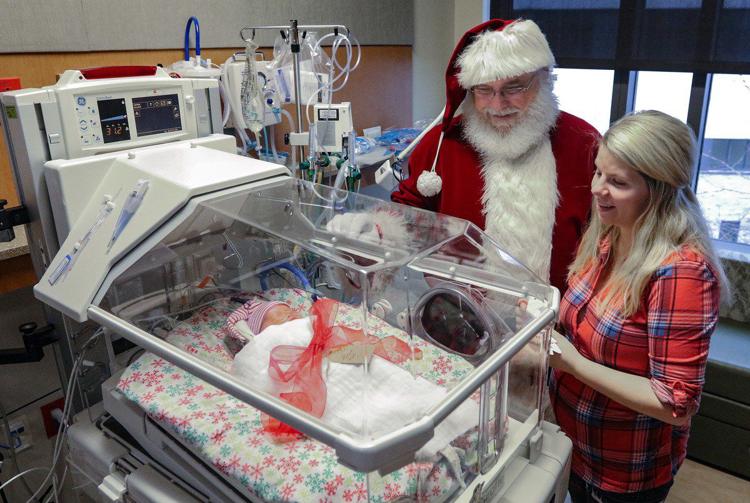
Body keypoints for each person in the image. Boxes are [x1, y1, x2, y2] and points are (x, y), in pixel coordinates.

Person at [548, 110, 729, 502]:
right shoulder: (609, 235)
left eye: (617, 182)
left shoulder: (681, 272)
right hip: (572, 443)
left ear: (659, 190)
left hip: (622, 470)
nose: (598, 188)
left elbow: (675, 403)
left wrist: (571, 363)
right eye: (598, 172)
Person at [392, 18, 600, 292]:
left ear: (545, 78)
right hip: (459, 316)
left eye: (514, 87)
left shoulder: (584, 143)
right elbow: (408, 211)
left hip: (560, 319)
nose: (498, 104)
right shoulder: (442, 144)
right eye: (484, 90)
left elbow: (611, 233)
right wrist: (378, 231)